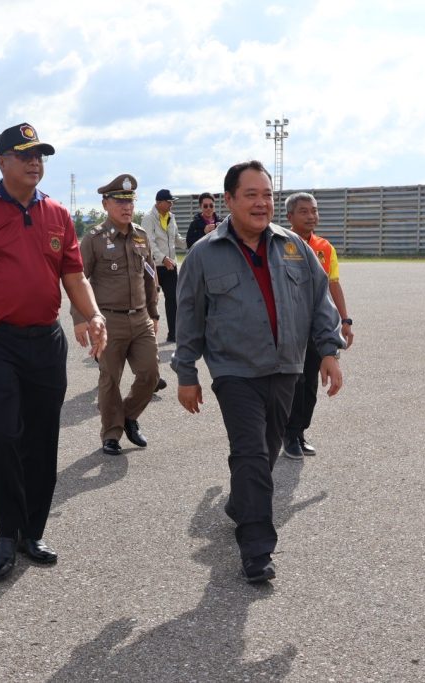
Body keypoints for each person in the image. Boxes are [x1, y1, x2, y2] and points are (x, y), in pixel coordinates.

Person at [0, 122, 106, 581]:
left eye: (40, 156)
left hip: (45, 341)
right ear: (1, 161)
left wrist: (93, 314)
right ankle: (6, 530)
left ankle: (32, 532)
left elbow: (74, 275)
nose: (35, 162)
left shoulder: (57, 214)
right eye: (25, 154)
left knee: (41, 439)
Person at [171, 160, 345, 584]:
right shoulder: (204, 254)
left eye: (267, 195)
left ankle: (240, 504)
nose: (261, 203)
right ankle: (256, 548)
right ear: (229, 200)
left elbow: (319, 299)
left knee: (266, 450)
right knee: (249, 450)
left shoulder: (293, 246)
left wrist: (329, 351)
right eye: (251, 195)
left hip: (285, 368)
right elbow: (189, 315)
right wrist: (186, 373)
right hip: (234, 371)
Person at [71, 173, 160, 456]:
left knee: (150, 374)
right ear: (105, 204)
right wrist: (80, 319)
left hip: (141, 319)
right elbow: (78, 281)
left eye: (130, 201)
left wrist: (154, 313)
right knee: (110, 379)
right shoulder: (94, 239)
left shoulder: (141, 236)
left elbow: (150, 278)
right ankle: (111, 434)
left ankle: (129, 416)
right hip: (109, 321)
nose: (127, 207)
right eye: (120, 201)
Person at [282, 192, 355, 459]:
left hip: (318, 327)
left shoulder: (325, 247)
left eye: (314, 210)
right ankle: (288, 433)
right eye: (304, 211)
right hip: (289, 327)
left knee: (311, 383)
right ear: (290, 216)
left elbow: (333, 285)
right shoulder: (280, 245)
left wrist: (345, 321)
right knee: (294, 382)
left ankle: (299, 431)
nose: (311, 216)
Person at [141, 189, 179, 343]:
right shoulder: (148, 219)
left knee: (173, 299)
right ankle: (146, 336)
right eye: (169, 202)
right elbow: (149, 243)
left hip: (170, 266)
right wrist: (163, 259)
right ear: (158, 202)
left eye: (172, 202)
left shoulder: (172, 217)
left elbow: (176, 238)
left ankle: (174, 334)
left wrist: (193, 241)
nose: (171, 204)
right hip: (154, 266)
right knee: (151, 300)